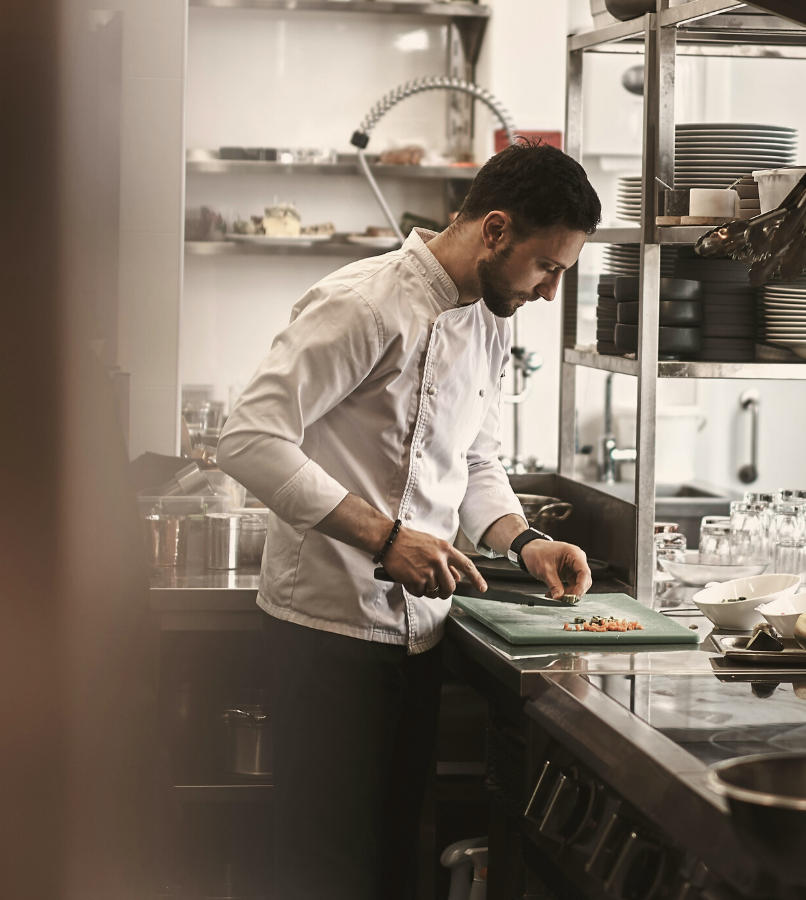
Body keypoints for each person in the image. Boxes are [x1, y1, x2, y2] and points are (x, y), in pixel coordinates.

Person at [216, 140, 602, 899]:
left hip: (420, 637)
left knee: (393, 864)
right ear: (495, 231)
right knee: (319, 873)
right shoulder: (361, 303)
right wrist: (383, 538)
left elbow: (476, 459)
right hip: (324, 632)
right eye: (549, 268)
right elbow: (249, 438)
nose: (551, 291)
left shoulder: (492, 316)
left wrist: (525, 540)